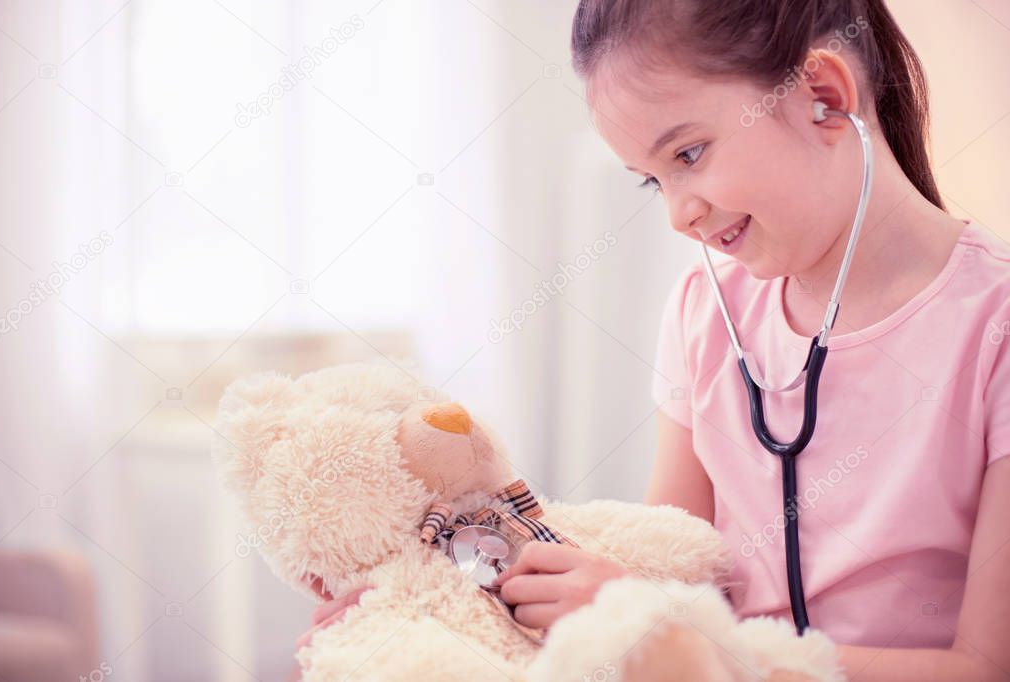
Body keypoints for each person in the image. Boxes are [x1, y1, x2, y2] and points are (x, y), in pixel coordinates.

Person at [299, 1, 1010, 679]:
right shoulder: (706, 311)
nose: (677, 213)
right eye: (651, 181)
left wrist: (679, 634)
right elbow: (668, 567)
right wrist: (445, 602)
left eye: (689, 153)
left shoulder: (993, 330)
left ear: (821, 95)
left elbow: (987, 669)